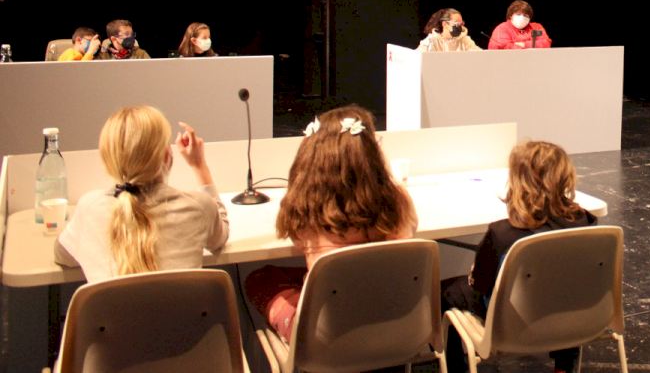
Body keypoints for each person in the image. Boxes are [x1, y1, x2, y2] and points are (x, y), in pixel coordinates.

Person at [245, 105, 417, 343]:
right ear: (373, 154)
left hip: (324, 337)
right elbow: (411, 228)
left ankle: (297, 329)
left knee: (261, 278)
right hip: (393, 323)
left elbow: (297, 241)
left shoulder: (304, 209)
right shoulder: (398, 202)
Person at [442, 140, 596, 373]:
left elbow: (481, 286)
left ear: (517, 181)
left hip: (513, 322)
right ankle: (564, 366)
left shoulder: (502, 234)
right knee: (565, 287)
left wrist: (474, 274)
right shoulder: (585, 222)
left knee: (446, 292)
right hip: (574, 315)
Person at [54, 106, 228, 282]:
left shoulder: (90, 207)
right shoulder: (197, 206)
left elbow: (63, 256)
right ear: (166, 155)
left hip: (113, 303)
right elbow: (219, 239)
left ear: (108, 158)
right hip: (183, 302)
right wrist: (199, 165)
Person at [488, 0, 552, 50]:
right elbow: (504, 47)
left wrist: (524, 45)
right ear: (511, 15)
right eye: (518, 14)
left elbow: (546, 43)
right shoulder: (502, 28)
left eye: (525, 15)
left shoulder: (536, 27)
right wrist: (532, 46)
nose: (522, 17)